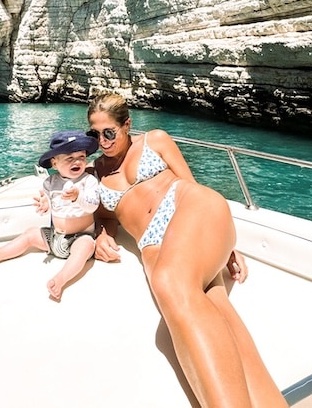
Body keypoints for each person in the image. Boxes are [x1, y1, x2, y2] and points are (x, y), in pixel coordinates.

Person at [87, 93, 288, 408]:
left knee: (170, 283)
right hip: (153, 244)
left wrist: (225, 244)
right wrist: (101, 235)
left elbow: (192, 185)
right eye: (94, 134)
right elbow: (103, 217)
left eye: (108, 132)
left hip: (187, 208)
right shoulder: (96, 172)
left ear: (127, 125)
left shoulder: (155, 140)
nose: (102, 140)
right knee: (217, 309)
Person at [0, 130, 100, 301]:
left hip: (80, 237)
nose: (77, 161)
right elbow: (50, 202)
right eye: (69, 158)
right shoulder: (50, 182)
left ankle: (60, 279)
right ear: (55, 163)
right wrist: (46, 204)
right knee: (30, 234)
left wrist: (78, 196)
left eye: (81, 156)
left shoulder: (89, 181)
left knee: (86, 247)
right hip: (55, 237)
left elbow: (93, 206)